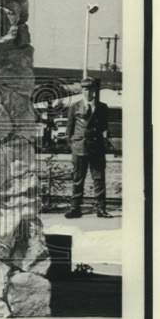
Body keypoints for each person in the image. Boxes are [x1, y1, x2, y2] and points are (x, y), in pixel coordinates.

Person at [64, 77, 113, 218]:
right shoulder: (75, 107)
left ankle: (101, 209)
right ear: (81, 90)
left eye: (91, 89)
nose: (88, 92)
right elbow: (69, 129)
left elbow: (104, 128)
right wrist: (73, 145)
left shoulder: (103, 107)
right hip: (79, 147)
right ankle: (75, 208)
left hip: (96, 148)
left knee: (99, 179)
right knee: (78, 179)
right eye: (85, 89)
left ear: (95, 91)